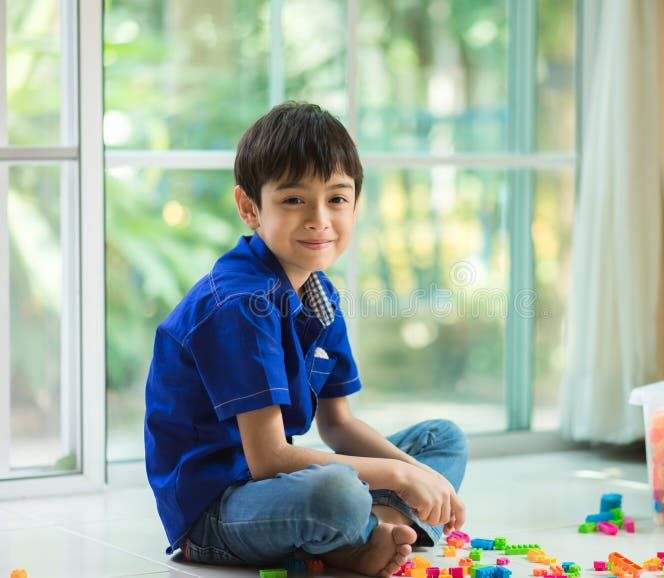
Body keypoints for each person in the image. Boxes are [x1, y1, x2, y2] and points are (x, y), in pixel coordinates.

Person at [144, 101, 468, 578]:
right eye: (294, 200)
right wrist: (401, 477)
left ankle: (367, 535)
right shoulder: (239, 304)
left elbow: (337, 424)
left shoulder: (317, 292)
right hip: (217, 511)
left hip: (279, 487)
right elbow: (270, 459)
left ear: (356, 204)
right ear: (250, 208)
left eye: (337, 199)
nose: (320, 219)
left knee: (443, 441)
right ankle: (363, 531)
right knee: (335, 492)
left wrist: (423, 475)